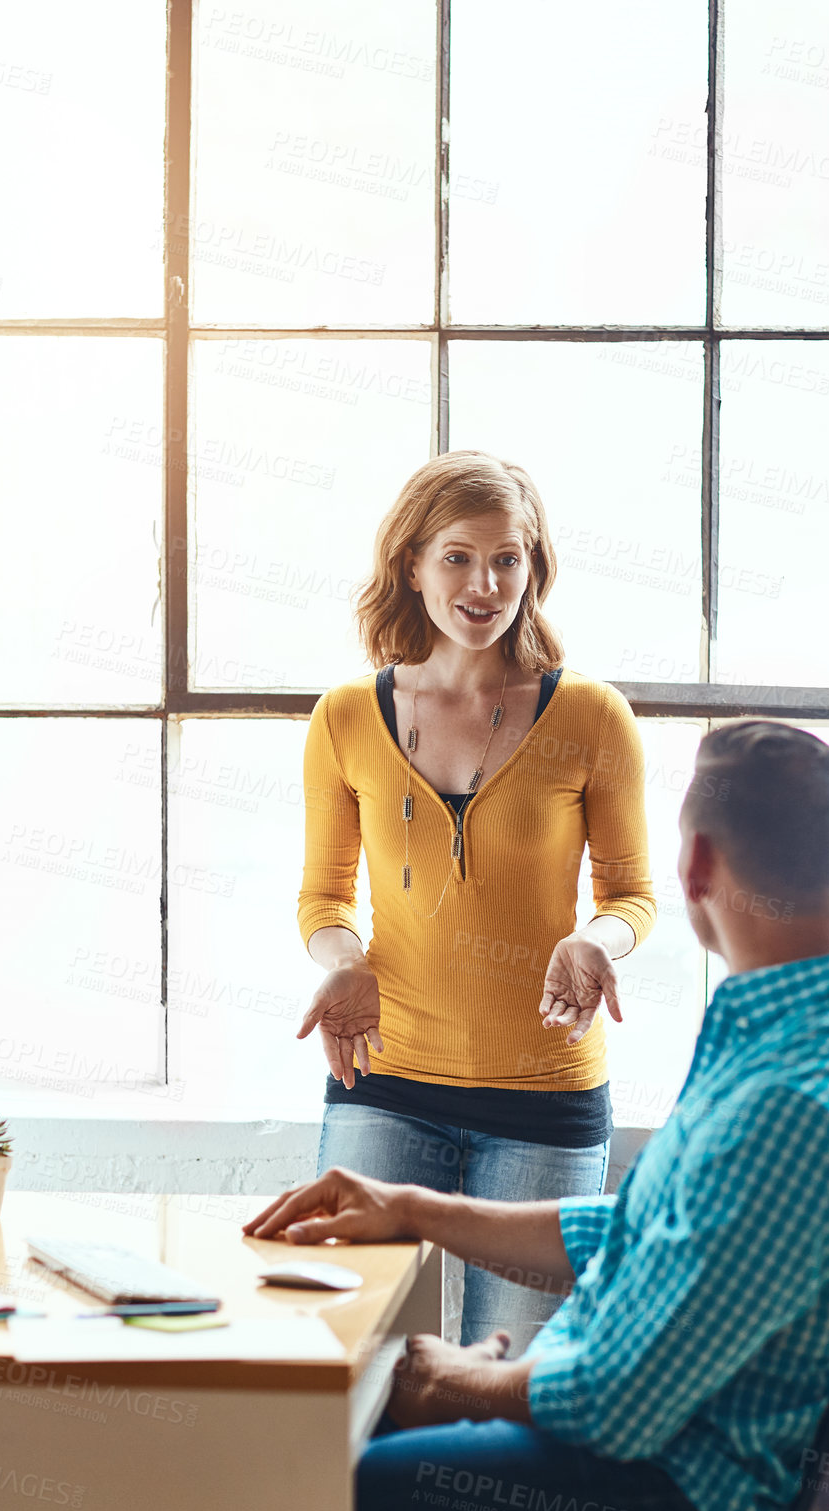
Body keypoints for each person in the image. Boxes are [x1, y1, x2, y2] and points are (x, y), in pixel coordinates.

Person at [250, 722, 829, 1511]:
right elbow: (649, 1229)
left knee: (276, 1502)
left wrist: (442, 1382)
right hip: (673, 1452)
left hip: (669, 1494)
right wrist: (417, 1210)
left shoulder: (789, 1099)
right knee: (320, 1450)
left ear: (695, 861)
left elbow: (615, 1400)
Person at [296, 449, 656, 1365]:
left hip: (544, 1098)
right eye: (456, 557)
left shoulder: (591, 718)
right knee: (365, 1374)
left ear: (534, 569)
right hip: (384, 1085)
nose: (483, 583)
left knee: (516, 1389)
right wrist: (344, 963)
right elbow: (324, 896)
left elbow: (632, 893)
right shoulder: (345, 717)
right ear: (411, 566)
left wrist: (592, 938)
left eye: (507, 558)